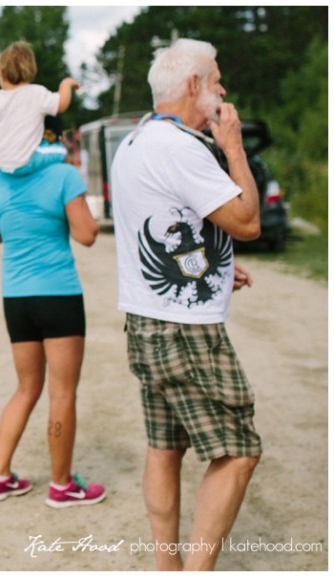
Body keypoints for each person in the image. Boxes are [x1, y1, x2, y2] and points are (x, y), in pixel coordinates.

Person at [109, 38, 261, 570]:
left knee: (164, 448)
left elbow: (162, 224)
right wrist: (235, 148)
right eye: (217, 81)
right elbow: (247, 221)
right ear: (194, 86)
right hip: (186, 331)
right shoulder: (183, 147)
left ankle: (167, 567)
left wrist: (219, 265)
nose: (223, 91)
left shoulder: (134, 143)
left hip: (147, 323)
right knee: (240, 450)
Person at [0, 116, 105, 508]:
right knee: (61, 392)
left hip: (17, 297)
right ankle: (62, 485)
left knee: (25, 388)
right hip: (58, 294)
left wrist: (18, 220)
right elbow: (86, 235)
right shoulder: (63, 175)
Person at [0, 41, 80, 176]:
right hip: (28, 160)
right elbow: (61, 104)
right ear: (31, 71)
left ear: (1, 74)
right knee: (62, 152)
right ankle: (65, 177)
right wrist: (66, 84)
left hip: (0, 163)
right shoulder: (36, 93)